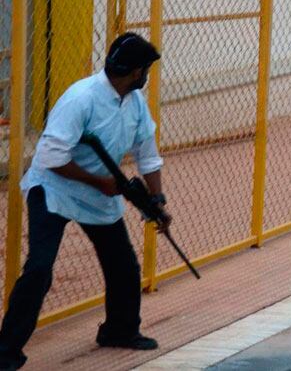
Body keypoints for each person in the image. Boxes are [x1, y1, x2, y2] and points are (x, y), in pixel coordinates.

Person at [0, 32, 170, 370]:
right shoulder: (81, 99)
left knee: (123, 265)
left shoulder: (134, 102)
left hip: (98, 193)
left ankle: (119, 331)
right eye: (145, 69)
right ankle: (5, 351)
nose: (147, 75)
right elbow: (50, 157)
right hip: (53, 190)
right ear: (135, 72)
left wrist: (157, 202)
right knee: (39, 269)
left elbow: (147, 156)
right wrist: (99, 181)